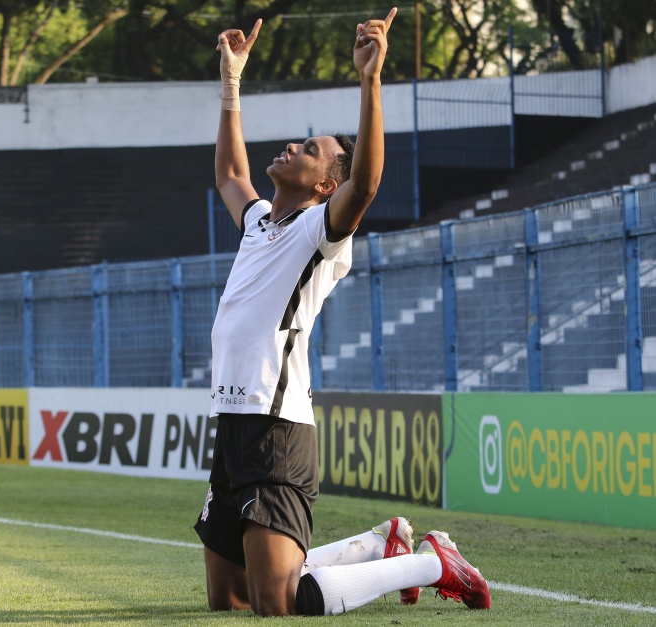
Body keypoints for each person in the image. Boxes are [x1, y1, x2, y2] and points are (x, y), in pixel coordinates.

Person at [193, 8, 492, 616]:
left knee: (278, 603)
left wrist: (370, 78)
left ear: (327, 185)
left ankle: (433, 560)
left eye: (309, 150)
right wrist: (231, 81)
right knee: (230, 599)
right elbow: (229, 172)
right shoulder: (258, 221)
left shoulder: (319, 231)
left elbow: (369, 183)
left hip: (277, 429)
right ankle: (374, 543)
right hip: (232, 422)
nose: (292, 148)